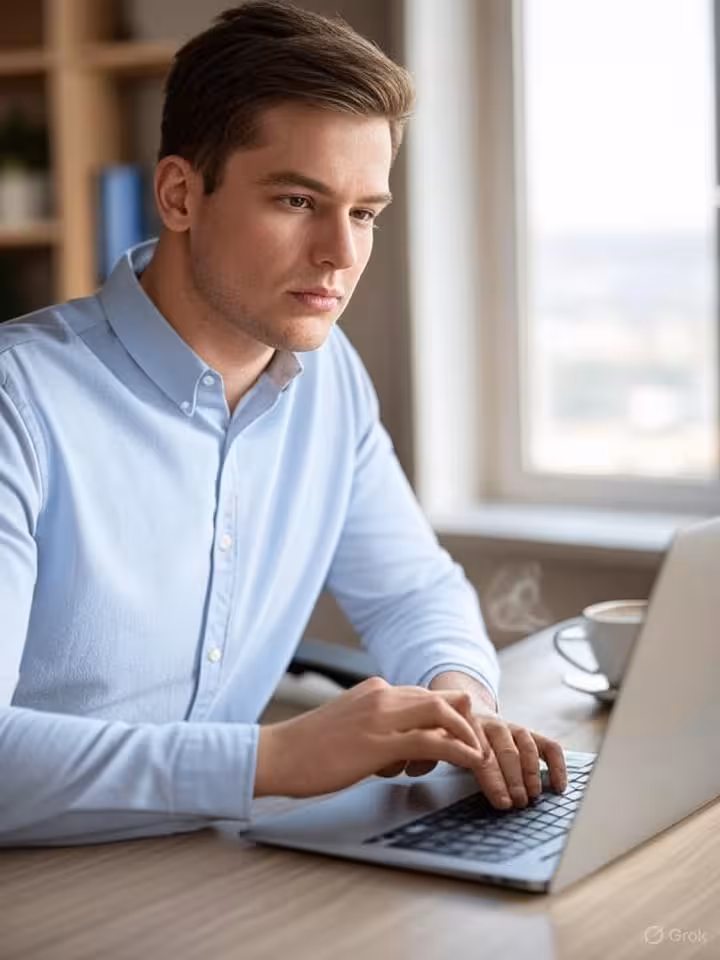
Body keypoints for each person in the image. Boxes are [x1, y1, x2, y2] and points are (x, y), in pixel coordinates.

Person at [0, 0, 566, 846]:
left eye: (364, 212)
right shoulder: (19, 400)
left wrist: (461, 701)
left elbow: (412, 591)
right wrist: (272, 759)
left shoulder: (328, 380)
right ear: (180, 194)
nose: (341, 253)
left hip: (211, 859)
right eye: (299, 200)